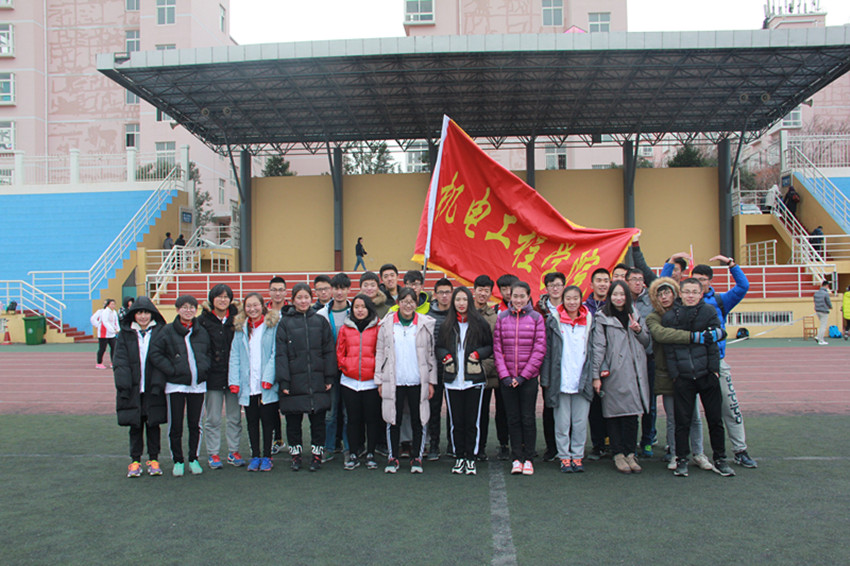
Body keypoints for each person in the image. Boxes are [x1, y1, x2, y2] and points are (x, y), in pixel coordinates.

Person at [674, 256, 757, 469]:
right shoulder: (680, 303)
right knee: (689, 414)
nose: (699, 283)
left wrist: (732, 264)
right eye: (696, 279)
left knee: (729, 407)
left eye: (703, 279)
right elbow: (659, 285)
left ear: (710, 281)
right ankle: (693, 453)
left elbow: (743, 287)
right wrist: (671, 263)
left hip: (716, 364)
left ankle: (740, 450)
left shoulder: (720, 301)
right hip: (688, 365)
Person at [662, 278, 734, 477]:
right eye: (687, 292)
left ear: (701, 293)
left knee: (714, 419)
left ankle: (720, 459)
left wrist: (713, 369)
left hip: (706, 374)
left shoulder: (709, 311)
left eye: (695, 292)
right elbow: (669, 350)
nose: (691, 296)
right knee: (682, 421)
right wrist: (675, 374)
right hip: (683, 377)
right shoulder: (670, 316)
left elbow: (715, 341)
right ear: (680, 293)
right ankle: (682, 459)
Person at [646, 277, 713, 473]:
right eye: (659, 294)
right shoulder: (653, 317)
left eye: (667, 292)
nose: (664, 297)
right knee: (673, 417)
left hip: (689, 371)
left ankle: (698, 453)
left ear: (675, 293)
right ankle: (675, 453)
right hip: (667, 373)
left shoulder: (688, 312)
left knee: (694, 416)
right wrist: (693, 337)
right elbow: (662, 335)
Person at [374, 287, 437, 474]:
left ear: (416, 304)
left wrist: (431, 381)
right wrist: (379, 380)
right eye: (404, 302)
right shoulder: (386, 324)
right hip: (394, 380)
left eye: (411, 302)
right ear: (398, 303)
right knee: (394, 419)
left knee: (419, 420)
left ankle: (417, 457)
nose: (408, 305)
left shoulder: (425, 324)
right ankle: (393, 457)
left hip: (418, 380)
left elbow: (431, 355)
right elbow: (380, 353)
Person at [590, 280, 650, 475]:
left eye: (622, 294)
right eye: (615, 294)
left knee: (632, 414)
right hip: (613, 372)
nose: (618, 298)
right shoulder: (602, 317)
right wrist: (596, 375)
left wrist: (638, 330)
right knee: (614, 415)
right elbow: (598, 347)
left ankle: (630, 453)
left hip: (634, 372)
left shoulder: (635, 314)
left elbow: (646, 341)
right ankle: (618, 454)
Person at [276, 283, 336, 472]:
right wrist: (284, 380)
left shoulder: (320, 321)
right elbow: (281, 354)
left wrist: (329, 377)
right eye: (299, 298)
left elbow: (328, 351)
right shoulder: (284, 323)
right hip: (293, 380)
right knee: (293, 421)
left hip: (317, 379)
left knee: (318, 421)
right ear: (293, 300)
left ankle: (317, 454)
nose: (303, 301)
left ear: (311, 298)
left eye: (306, 297)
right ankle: (296, 455)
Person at [148, 295, 210, 477]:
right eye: (184, 307)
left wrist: (204, 368)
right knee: (175, 425)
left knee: (195, 424)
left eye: (192, 307)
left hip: (197, 385)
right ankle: (178, 460)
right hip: (176, 385)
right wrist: (172, 370)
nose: (188, 310)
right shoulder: (167, 331)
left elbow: (208, 353)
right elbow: (155, 353)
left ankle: (193, 458)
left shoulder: (201, 331)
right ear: (177, 309)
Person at [436, 287, 493, 475]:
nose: (461, 303)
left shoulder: (480, 323)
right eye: (458, 300)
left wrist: (478, 354)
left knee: (472, 422)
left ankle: (471, 457)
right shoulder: (447, 325)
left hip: (473, 380)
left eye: (464, 299)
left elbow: (489, 346)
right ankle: (459, 456)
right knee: (456, 422)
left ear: (470, 301)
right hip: (452, 381)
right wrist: (445, 357)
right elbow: (439, 347)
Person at [493, 281, 547, 476]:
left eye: (522, 296)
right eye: (515, 296)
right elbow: (497, 348)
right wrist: (505, 375)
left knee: (528, 418)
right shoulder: (502, 318)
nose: (518, 300)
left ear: (528, 297)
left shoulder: (536, 318)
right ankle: (516, 458)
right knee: (513, 418)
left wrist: (524, 376)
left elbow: (539, 349)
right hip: (507, 379)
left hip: (528, 379)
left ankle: (529, 458)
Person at [540, 285, 594, 474]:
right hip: (560, 379)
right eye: (568, 298)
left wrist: (594, 376)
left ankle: (577, 456)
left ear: (581, 300)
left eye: (575, 298)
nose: (572, 302)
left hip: (582, 379)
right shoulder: (553, 320)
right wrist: (546, 379)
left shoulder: (589, 320)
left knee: (580, 422)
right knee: (562, 423)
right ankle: (564, 456)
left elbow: (594, 350)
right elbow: (547, 352)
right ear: (563, 300)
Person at [113, 296, 167, 478]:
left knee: (153, 424)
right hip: (133, 389)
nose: (143, 316)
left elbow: (163, 359)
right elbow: (120, 361)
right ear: (133, 315)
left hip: (153, 389)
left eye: (146, 313)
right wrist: (124, 384)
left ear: (152, 314)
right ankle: (135, 461)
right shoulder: (125, 334)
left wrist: (158, 383)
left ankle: (153, 459)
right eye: (139, 313)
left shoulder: (160, 332)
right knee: (135, 425)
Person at [228, 293, 281, 472]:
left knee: (267, 421)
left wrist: (268, 377)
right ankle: (255, 455)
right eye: (248, 306)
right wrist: (234, 381)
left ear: (262, 306)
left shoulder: (271, 326)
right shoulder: (241, 328)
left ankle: (267, 456)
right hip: (248, 383)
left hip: (266, 383)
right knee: (251, 421)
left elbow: (275, 353)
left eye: (255, 305)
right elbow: (235, 356)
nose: (252, 309)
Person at [197, 284, 244, 469]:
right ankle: (213, 453)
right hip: (212, 377)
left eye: (226, 297)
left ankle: (234, 451)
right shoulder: (202, 321)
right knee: (213, 418)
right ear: (212, 299)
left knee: (234, 417)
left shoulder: (238, 319)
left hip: (233, 376)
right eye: (219, 296)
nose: (223, 300)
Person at [336, 294, 381, 470]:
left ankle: (370, 453)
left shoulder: (378, 327)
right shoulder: (345, 328)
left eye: (363, 307)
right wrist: (346, 366)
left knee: (372, 419)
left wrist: (375, 370)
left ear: (369, 309)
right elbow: (340, 352)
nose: (360, 310)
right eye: (356, 307)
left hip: (371, 382)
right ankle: (353, 453)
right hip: (350, 381)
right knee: (353, 419)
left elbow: (381, 352)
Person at [472, 274, 508, 461]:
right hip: (472, 373)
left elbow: (497, 346)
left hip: (492, 372)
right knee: (479, 413)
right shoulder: (466, 313)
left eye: (487, 291)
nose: (483, 294)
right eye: (480, 290)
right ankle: (478, 447)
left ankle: (504, 444)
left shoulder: (495, 316)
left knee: (500, 411)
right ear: (474, 290)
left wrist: (484, 368)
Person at [317, 273, 352, 461]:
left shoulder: (356, 311)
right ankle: (329, 447)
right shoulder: (321, 314)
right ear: (331, 290)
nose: (339, 292)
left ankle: (349, 448)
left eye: (343, 288)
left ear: (348, 290)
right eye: (336, 288)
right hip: (329, 370)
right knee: (330, 413)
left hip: (349, 370)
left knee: (348, 412)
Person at [536, 271, 567, 462]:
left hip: (568, 363)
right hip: (547, 363)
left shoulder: (571, 307)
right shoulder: (538, 310)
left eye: (558, 285)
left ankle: (567, 446)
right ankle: (551, 447)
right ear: (546, 288)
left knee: (568, 405)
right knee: (550, 405)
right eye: (551, 285)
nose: (555, 289)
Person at [627, 267, 657, 458]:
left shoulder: (651, 302)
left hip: (648, 358)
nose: (638, 283)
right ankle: (629, 443)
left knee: (649, 404)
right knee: (629, 403)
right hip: (627, 361)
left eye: (640, 279)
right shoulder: (621, 301)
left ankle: (647, 440)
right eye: (634, 279)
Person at [584, 267, 610, 461]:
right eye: (598, 280)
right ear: (591, 284)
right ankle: (598, 444)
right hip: (591, 362)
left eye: (605, 280)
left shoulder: (615, 305)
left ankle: (613, 443)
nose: (602, 284)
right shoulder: (584, 308)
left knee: (613, 404)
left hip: (613, 363)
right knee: (594, 406)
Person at [426, 277, 453, 459]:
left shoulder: (458, 313)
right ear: (435, 294)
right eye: (441, 292)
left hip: (453, 369)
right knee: (433, 409)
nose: (444, 296)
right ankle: (433, 445)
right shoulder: (428, 315)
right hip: (433, 369)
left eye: (447, 292)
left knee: (453, 409)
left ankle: (452, 444)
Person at [267, 276, 291, 454]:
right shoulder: (263, 311)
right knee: (271, 406)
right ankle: (277, 439)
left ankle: (294, 443)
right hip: (269, 364)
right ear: (269, 292)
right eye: (274, 290)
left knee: (289, 405)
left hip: (288, 363)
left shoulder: (291, 311)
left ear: (285, 292)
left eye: (280, 290)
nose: (277, 293)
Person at [92, 299, 120, 369]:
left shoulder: (114, 312)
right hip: (103, 334)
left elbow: (116, 321)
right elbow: (105, 322)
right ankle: (99, 363)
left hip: (112, 334)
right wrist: (98, 325)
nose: (113, 305)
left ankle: (113, 362)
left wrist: (117, 329)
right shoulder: (103, 312)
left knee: (114, 347)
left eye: (114, 304)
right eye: (111, 304)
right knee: (102, 349)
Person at [813, 280, 832, 346]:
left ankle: (818, 336)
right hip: (824, 310)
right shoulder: (825, 293)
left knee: (821, 324)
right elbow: (828, 301)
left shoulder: (816, 293)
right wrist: (830, 307)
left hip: (817, 310)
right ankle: (820, 340)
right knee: (823, 326)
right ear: (826, 285)